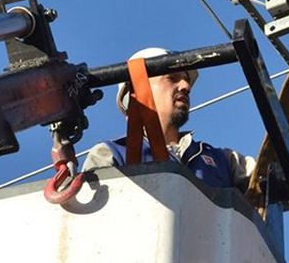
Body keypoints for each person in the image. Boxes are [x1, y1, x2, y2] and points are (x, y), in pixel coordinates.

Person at [83, 47, 255, 191]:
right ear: (137, 92)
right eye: (172, 78)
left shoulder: (226, 161)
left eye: (186, 80)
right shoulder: (111, 154)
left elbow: (266, 181)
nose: (186, 86)